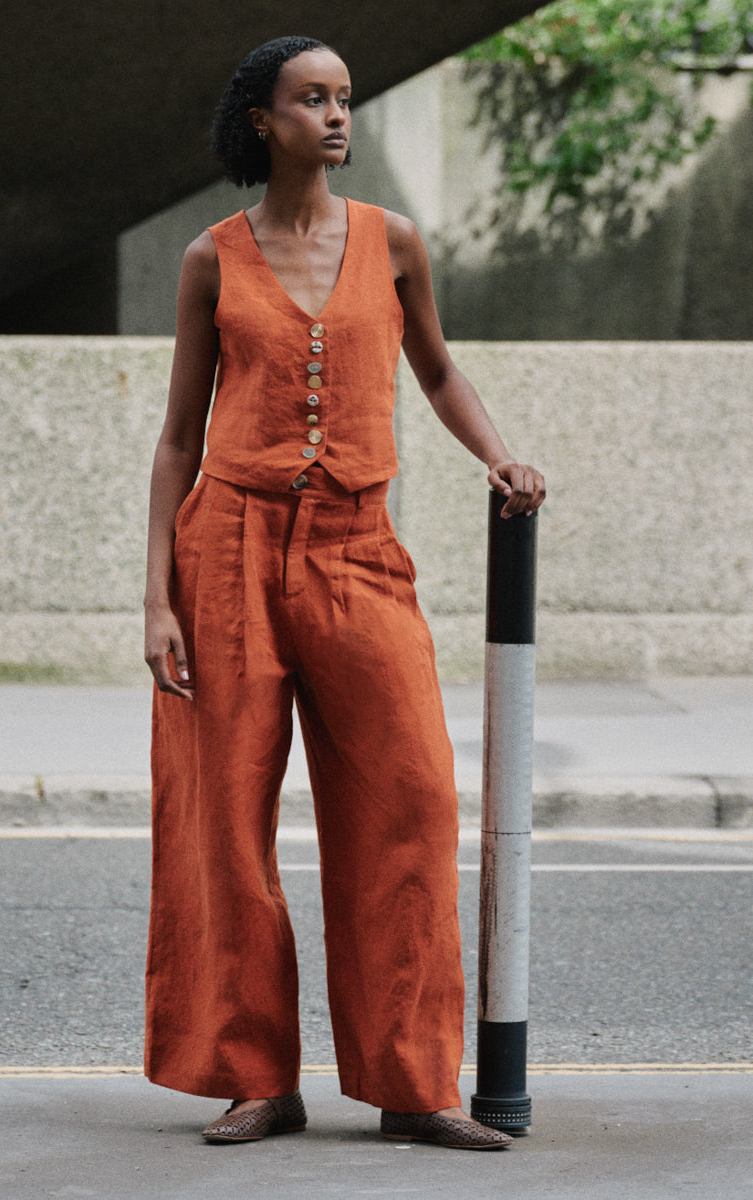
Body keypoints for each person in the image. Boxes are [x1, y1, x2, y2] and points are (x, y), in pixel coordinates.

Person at [143, 35, 545, 1150]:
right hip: (225, 553)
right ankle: (257, 1077)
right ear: (263, 121)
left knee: (411, 799)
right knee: (224, 818)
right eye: (310, 100)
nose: (335, 117)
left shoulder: (394, 241)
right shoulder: (211, 260)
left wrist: (499, 456)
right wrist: (156, 600)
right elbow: (178, 438)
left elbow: (438, 368)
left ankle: (415, 1086)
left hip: (361, 551)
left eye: (344, 101)